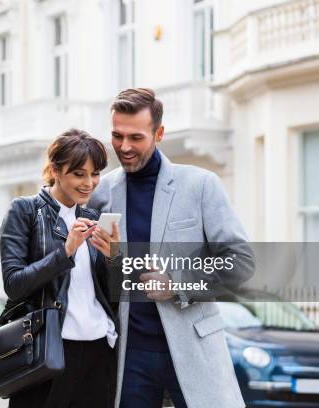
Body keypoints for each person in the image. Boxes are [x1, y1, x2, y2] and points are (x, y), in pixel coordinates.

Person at [89, 88, 254, 408]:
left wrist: (177, 283)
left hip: (194, 349)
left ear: (159, 133)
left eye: (136, 137)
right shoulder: (103, 192)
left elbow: (241, 263)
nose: (124, 147)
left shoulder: (201, 185)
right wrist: (111, 260)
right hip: (129, 356)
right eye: (117, 135)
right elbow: (101, 281)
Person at [0, 128, 120, 408]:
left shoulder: (93, 218)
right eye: (79, 174)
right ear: (55, 169)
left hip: (99, 349)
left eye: (95, 174)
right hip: (47, 350)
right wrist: (66, 250)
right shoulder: (25, 212)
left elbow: (110, 292)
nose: (89, 183)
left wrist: (115, 257)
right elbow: (14, 284)